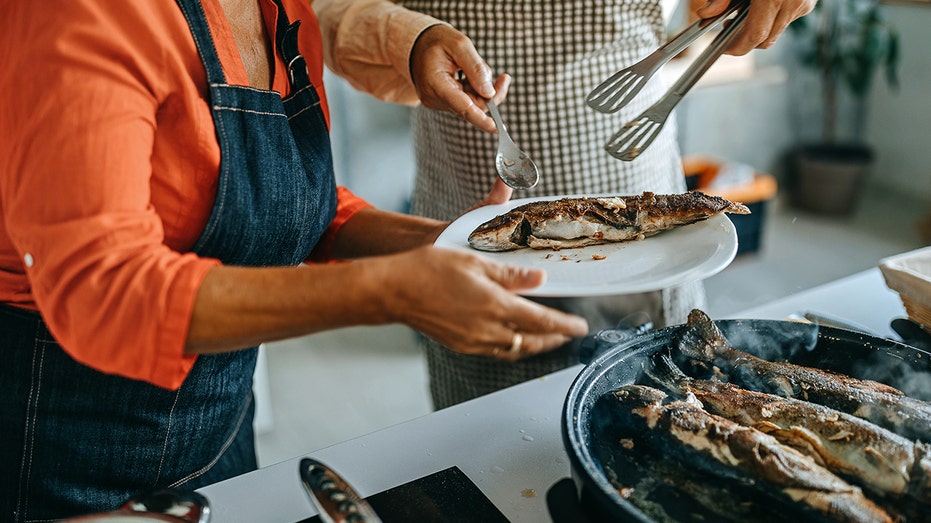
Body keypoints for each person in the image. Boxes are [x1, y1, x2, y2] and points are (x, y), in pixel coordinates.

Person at [0, 0, 589, 519]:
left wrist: (455, 243)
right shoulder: (82, 14)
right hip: (62, 447)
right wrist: (385, 292)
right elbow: (102, 290)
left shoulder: (282, 12)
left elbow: (292, 206)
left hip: (219, 433)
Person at [313, 0, 815, 408]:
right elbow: (320, 13)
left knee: (661, 407)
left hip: (634, 185)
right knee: (488, 436)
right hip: (468, 188)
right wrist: (407, 39)